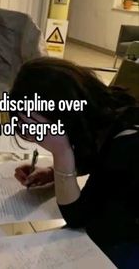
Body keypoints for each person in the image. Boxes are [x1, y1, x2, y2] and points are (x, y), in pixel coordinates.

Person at [9, 57, 139, 269]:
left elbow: (79, 218)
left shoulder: (126, 149)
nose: (35, 138)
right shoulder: (105, 111)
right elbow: (97, 157)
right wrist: (54, 172)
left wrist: (61, 153)